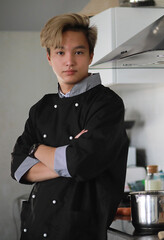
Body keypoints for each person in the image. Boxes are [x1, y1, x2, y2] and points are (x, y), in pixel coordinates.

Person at [10, 13, 129, 240]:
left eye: (79, 52)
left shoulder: (107, 103)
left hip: (80, 229)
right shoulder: (41, 109)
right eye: (60, 52)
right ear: (49, 57)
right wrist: (69, 158)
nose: (69, 61)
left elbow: (80, 163)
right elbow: (18, 168)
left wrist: (35, 150)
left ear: (91, 55)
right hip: (37, 224)